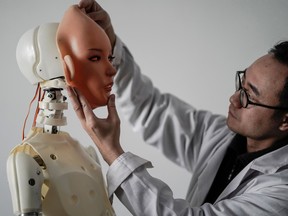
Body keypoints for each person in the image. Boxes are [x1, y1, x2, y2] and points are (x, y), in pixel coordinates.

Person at [67, 0, 288, 215]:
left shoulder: (280, 193)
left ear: (285, 120)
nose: (233, 99)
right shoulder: (221, 136)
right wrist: (110, 41)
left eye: (249, 96)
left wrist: (111, 152)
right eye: (242, 83)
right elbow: (152, 109)